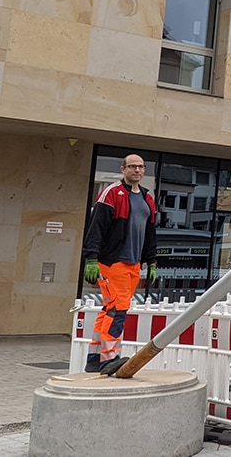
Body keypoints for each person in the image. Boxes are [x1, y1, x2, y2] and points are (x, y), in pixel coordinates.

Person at [81, 154, 158, 375]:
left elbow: (150, 233)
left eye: (141, 167)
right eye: (132, 166)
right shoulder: (112, 194)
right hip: (113, 262)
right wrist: (92, 258)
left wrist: (151, 262)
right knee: (117, 310)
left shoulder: (147, 199)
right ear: (123, 169)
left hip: (133, 264)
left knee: (109, 309)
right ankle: (109, 359)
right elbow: (96, 228)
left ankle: (94, 358)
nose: (137, 170)